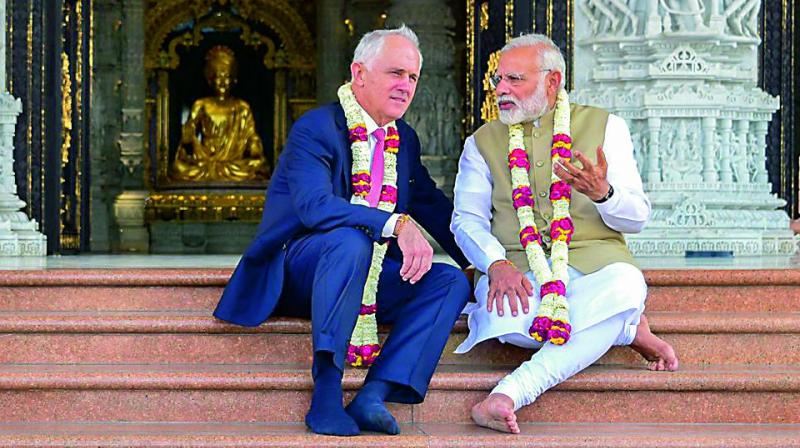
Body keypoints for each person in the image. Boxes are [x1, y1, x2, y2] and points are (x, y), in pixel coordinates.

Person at [214, 25, 470, 437]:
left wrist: (491, 264)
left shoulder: (403, 138)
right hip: (300, 270)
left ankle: (374, 394)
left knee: (447, 280)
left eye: (412, 77)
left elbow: (433, 207)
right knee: (350, 241)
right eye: (395, 73)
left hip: (367, 275)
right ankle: (327, 394)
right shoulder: (316, 128)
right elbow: (316, 208)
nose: (406, 86)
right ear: (360, 73)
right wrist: (394, 224)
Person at [450, 33, 679, 434]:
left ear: (552, 82)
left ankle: (509, 393)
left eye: (514, 80)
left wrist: (603, 194)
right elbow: (465, 220)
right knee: (514, 325)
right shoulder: (481, 142)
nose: (501, 90)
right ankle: (624, 327)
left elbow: (637, 217)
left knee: (626, 285)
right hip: (518, 271)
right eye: (498, 80)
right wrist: (496, 264)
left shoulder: (605, 127)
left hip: (595, 264)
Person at [171, 45, 267, 182]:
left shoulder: (241, 107)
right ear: (210, 79)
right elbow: (188, 135)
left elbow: (250, 135)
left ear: (234, 79)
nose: (222, 82)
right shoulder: (201, 104)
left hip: (233, 164)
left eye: (227, 77)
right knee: (178, 168)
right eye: (218, 77)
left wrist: (254, 145)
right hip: (204, 162)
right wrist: (188, 138)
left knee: (259, 166)